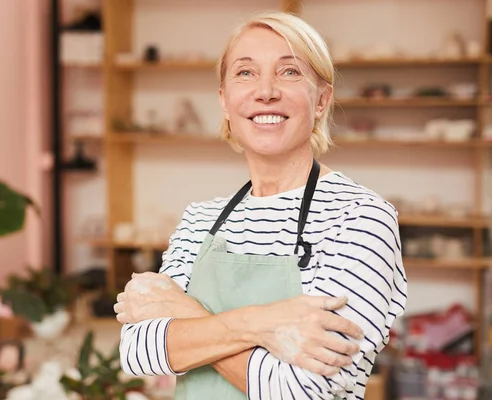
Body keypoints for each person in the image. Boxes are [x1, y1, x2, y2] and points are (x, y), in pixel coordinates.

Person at [114, 10, 407, 400]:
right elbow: (138, 353)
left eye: (289, 72)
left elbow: (303, 389)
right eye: (245, 73)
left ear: (322, 99)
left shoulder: (361, 218)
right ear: (224, 101)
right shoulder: (200, 220)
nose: (265, 91)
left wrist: (182, 312)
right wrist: (264, 324)